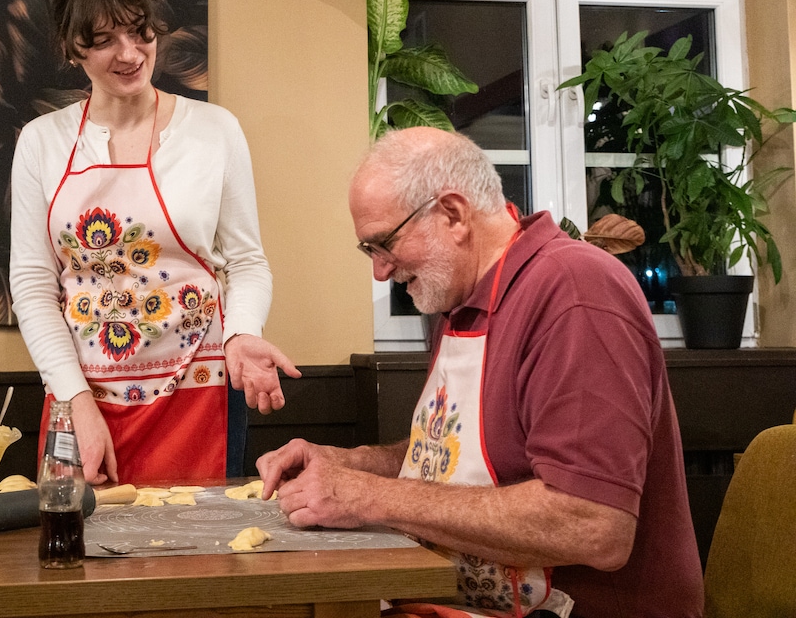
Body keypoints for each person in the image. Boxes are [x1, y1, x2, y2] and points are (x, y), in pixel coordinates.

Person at [257, 127, 702, 618]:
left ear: (452, 214)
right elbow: (466, 453)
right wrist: (349, 464)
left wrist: (369, 497)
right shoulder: (459, 296)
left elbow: (593, 523)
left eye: (383, 244)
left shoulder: (576, 290)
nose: (380, 272)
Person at [9, 0, 299, 485]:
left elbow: (246, 263)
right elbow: (32, 286)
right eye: (103, 41)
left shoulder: (214, 131)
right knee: (81, 554)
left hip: (202, 392)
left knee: (201, 556)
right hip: (83, 394)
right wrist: (76, 405)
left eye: (140, 33)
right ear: (71, 49)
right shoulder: (41, 142)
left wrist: (241, 335)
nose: (129, 54)